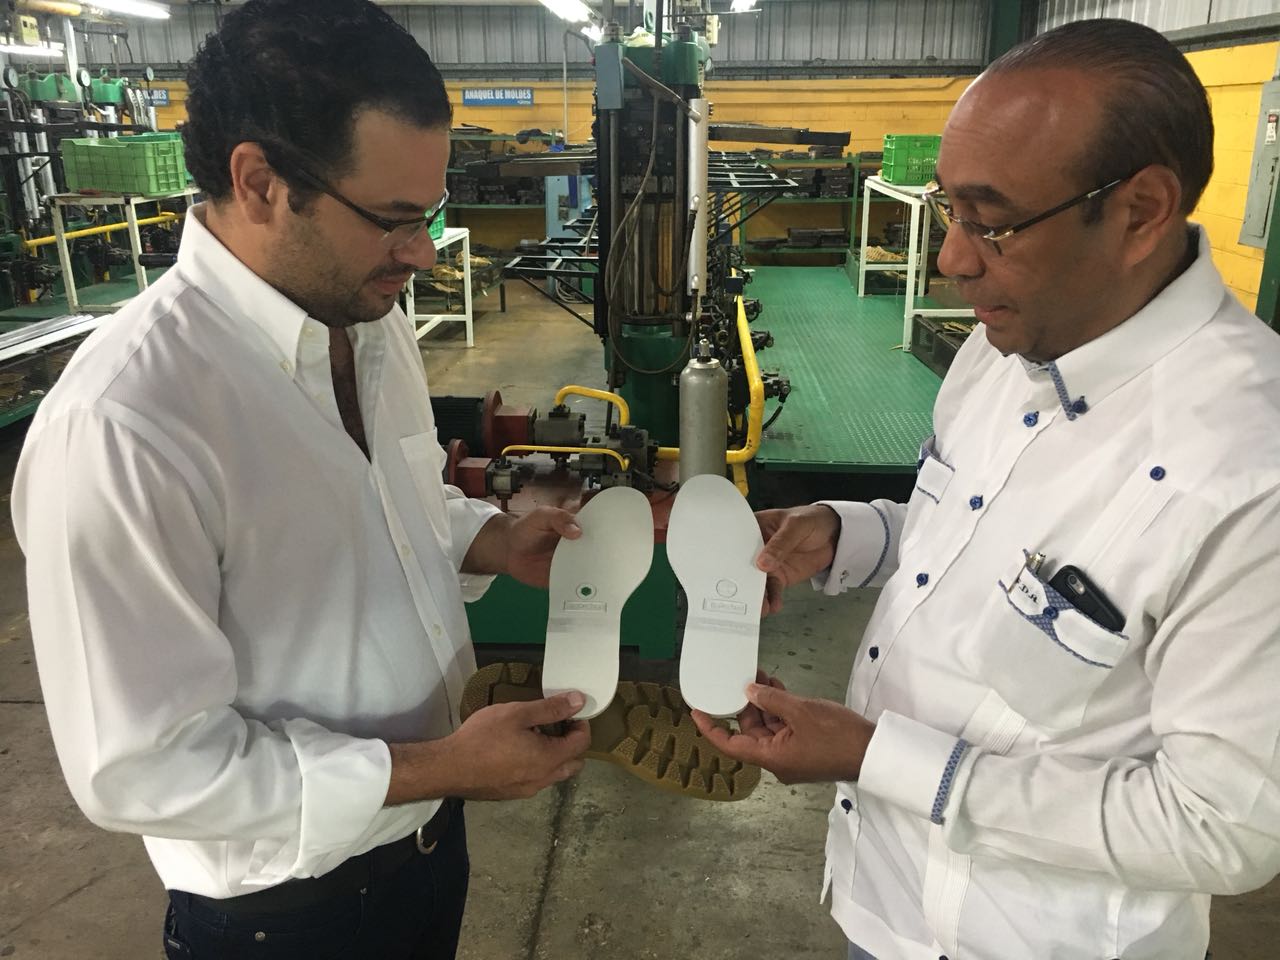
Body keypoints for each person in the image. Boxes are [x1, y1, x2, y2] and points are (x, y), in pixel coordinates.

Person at [11, 2, 591, 958]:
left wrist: (489, 538)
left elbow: (391, 504)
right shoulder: (126, 424)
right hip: (283, 917)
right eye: (395, 220)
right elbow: (141, 769)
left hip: (427, 847)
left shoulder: (369, 320)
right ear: (259, 183)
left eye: (429, 215)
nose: (422, 252)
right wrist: (439, 766)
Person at [694, 18, 1280, 960]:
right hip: (880, 899)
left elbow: (1220, 826)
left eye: (991, 222)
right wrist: (848, 532)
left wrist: (875, 755)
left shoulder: (1251, 467)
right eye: (948, 211)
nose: (952, 261)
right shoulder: (1004, 346)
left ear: (1141, 211)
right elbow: (971, 533)